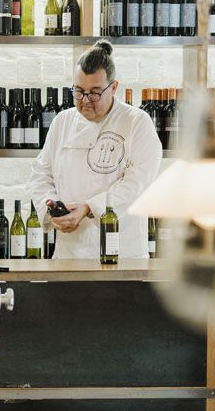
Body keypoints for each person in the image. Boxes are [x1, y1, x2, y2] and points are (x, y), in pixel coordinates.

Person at [26, 40, 162, 259]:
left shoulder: (136, 122)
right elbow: (41, 173)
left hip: (122, 254)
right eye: (79, 91)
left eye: (95, 93)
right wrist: (52, 209)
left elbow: (137, 184)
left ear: (114, 87)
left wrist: (89, 207)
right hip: (69, 254)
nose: (85, 101)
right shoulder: (62, 121)